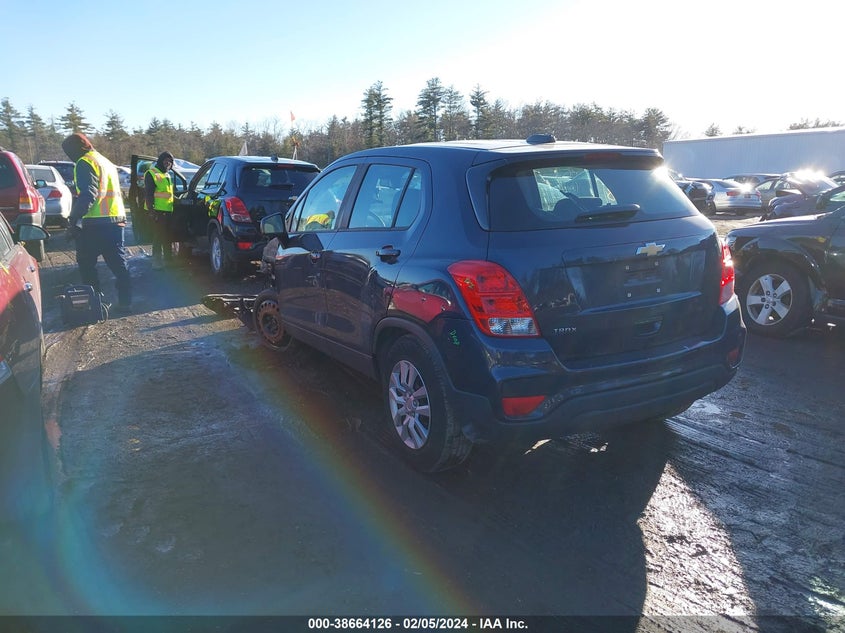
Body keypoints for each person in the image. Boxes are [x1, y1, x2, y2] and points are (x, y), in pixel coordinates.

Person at [61, 132, 132, 314]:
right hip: (115, 221)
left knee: (87, 266)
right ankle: (125, 302)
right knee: (119, 265)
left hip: (93, 225)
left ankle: (96, 306)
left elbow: (88, 194)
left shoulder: (85, 162)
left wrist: (73, 219)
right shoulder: (105, 161)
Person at [144, 151, 176, 269]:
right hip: (157, 211)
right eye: (166, 161)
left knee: (167, 236)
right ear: (160, 161)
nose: (168, 163)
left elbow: (168, 193)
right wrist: (151, 211)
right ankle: (156, 261)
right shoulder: (152, 173)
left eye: (170, 161)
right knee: (158, 237)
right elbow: (148, 194)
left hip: (167, 210)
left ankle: (168, 260)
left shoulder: (167, 175)